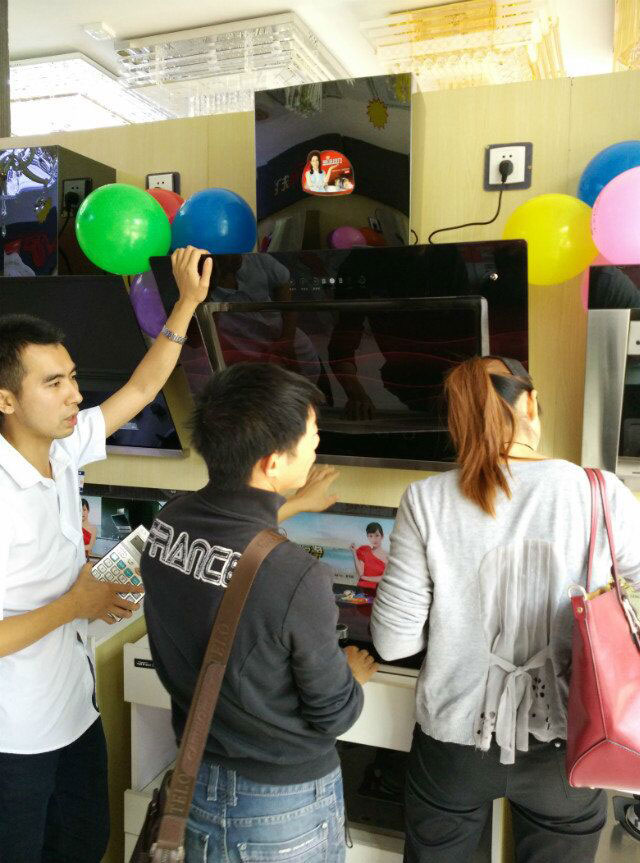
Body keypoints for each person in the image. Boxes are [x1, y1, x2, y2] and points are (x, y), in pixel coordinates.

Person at [369, 355, 640, 863]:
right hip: (569, 745)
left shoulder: (426, 499)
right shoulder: (601, 492)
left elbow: (393, 642)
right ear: (530, 403)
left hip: (454, 745)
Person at [0, 246, 213, 863]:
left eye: (71, 377)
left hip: (73, 710)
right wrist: (78, 602)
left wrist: (187, 303)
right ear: (6, 400)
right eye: (53, 383)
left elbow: (142, 387)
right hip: (14, 736)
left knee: (86, 843)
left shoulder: (61, 449)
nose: (74, 395)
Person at [140, 362, 378, 862]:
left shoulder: (168, 522)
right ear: (272, 464)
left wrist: (294, 502)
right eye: (312, 435)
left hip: (196, 774)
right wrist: (353, 676)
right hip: (278, 806)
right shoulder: (295, 574)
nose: (317, 444)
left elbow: (233, 539)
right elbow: (333, 714)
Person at [350, 521, 387, 591]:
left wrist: (365, 578)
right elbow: (360, 573)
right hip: (362, 589)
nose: (374, 539)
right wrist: (354, 553)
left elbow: (383, 578)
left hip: (378, 591)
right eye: (370, 536)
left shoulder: (388, 557)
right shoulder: (364, 550)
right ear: (368, 537)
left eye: (377, 535)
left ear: (382, 536)